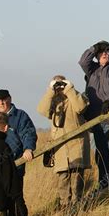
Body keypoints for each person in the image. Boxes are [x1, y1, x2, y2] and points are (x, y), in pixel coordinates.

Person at [37, 76, 91, 208]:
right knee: (63, 177)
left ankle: (77, 204)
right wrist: (50, 90)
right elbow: (42, 110)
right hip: (60, 146)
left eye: (61, 84)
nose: (60, 87)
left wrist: (69, 89)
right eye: (57, 84)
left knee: (78, 176)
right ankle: (65, 206)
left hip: (77, 144)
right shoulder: (52, 101)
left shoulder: (75, 96)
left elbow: (80, 107)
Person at [79, 40, 109, 189]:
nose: (105, 54)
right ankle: (103, 183)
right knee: (100, 153)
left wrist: (108, 101)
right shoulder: (92, 70)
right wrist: (95, 47)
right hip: (95, 119)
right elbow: (83, 61)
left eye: (107, 51)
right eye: (102, 52)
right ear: (97, 55)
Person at [0, 89, 37, 180]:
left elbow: (29, 134)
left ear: (10, 99)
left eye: (4, 99)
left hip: (15, 167)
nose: (1, 103)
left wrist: (28, 148)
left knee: (14, 194)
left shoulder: (20, 116)